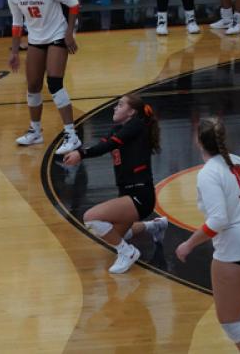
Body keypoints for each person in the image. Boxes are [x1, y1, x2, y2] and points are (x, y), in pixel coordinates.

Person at [176, 117, 240, 354]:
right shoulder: (237, 161)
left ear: (199, 141)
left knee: (230, 320)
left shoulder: (209, 173)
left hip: (235, 249)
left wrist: (188, 244)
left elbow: (218, 220)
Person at [63, 94, 168, 274]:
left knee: (91, 218)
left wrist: (80, 154)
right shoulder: (118, 129)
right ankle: (155, 226)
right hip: (128, 194)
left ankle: (128, 253)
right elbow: (103, 145)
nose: (114, 108)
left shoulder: (136, 126)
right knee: (112, 235)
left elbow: (110, 144)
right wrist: (81, 152)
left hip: (140, 195)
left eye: (120, 105)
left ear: (131, 112)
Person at [7, 0, 82, 155]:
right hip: (35, 39)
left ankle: (71, 135)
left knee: (55, 83)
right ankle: (36, 131)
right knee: (32, 86)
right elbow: (17, 23)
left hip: (57, 35)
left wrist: (69, 34)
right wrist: (14, 51)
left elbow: (74, 3)